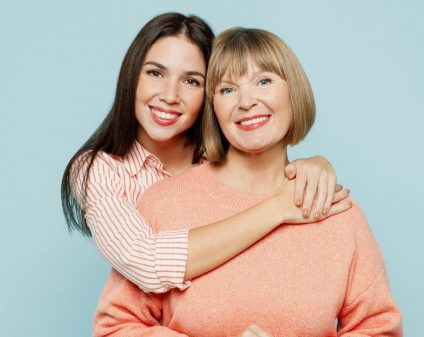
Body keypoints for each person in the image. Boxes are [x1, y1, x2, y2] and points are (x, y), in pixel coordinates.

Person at [92, 27, 402, 336]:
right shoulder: (163, 203)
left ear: (294, 92)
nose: (246, 101)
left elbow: (379, 328)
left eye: (264, 81)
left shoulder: (336, 211)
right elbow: (116, 328)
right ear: (213, 108)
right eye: (227, 90)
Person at [61, 13, 351, 294]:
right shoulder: (97, 169)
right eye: (155, 73)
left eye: (191, 81)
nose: (170, 95)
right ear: (130, 77)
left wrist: (313, 164)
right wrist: (278, 209)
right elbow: (147, 263)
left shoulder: (221, 155)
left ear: (209, 94)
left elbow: (269, 161)